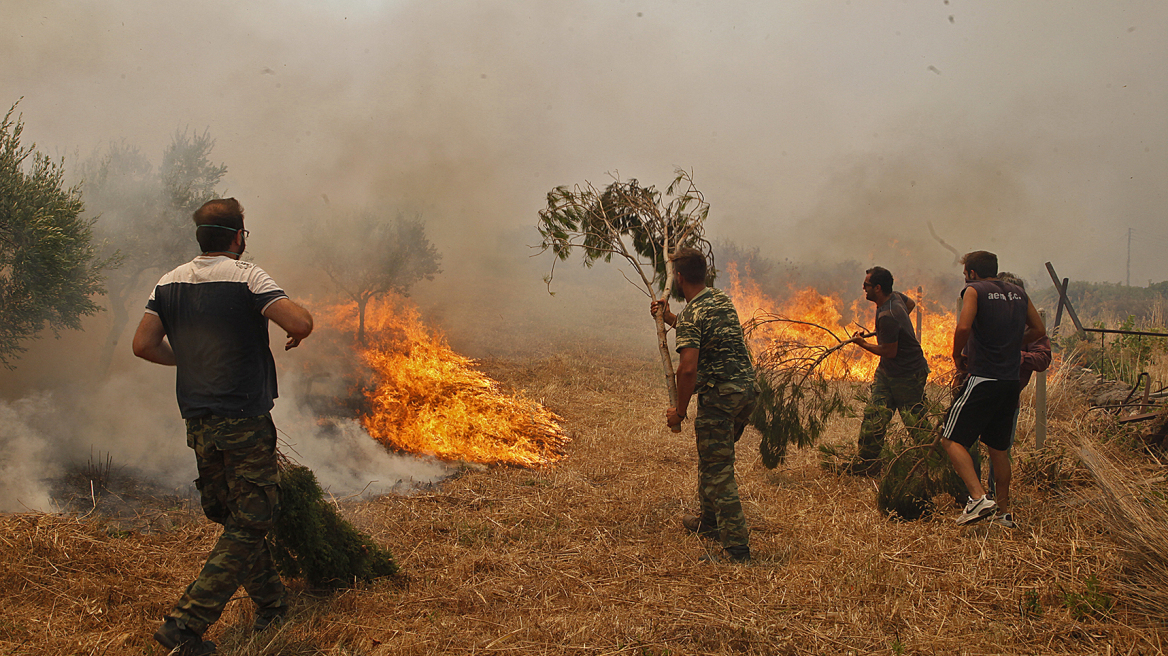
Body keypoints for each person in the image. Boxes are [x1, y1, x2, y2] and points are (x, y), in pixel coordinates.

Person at [133, 198, 313, 655]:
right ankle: (185, 626)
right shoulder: (248, 276)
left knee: (233, 516)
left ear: (200, 238)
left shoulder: (168, 282)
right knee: (252, 520)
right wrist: (298, 330)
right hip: (244, 417)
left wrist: (186, 359)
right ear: (238, 238)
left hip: (198, 418)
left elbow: (143, 345)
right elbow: (300, 321)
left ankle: (272, 604)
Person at [651, 247, 756, 563]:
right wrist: (667, 317)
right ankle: (709, 522)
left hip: (721, 397)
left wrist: (679, 412)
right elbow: (698, 326)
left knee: (718, 469)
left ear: (679, 278)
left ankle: (737, 549)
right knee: (712, 459)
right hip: (746, 393)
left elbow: (688, 369)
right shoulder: (720, 300)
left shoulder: (694, 314)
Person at [941, 251, 1045, 526]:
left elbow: (963, 327)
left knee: (950, 439)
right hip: (1010, 382)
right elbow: (1039, 329)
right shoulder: (1018, 293)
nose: (965, 279)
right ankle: (1003, 513)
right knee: (998, 450)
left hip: (984, 377)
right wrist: (1011, 345)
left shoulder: (974, 290)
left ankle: (977, 498)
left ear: (972, 273)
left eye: (965, 274)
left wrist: (957, 355)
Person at [845, 266, 932, 475]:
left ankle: (937, 460)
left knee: (915, 422)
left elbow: (889, 351)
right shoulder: (896, 298)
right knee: (874, 417)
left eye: (866, 285)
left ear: (877, 287)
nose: (863, 288)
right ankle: (868, 464)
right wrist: (891, 331)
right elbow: (910, 304)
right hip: (887, 373)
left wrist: (861, 343)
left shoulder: (888, 315)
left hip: (907, 374)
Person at [983, 272, 1052, 527]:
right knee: (964, 446)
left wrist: (1015, 356)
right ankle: (971, 497)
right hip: (980, 394)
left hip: (1007, 398)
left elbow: (1043, 358)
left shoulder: (1028, 326)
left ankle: (996, 501)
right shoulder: (985, 317)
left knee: (1000, 452)